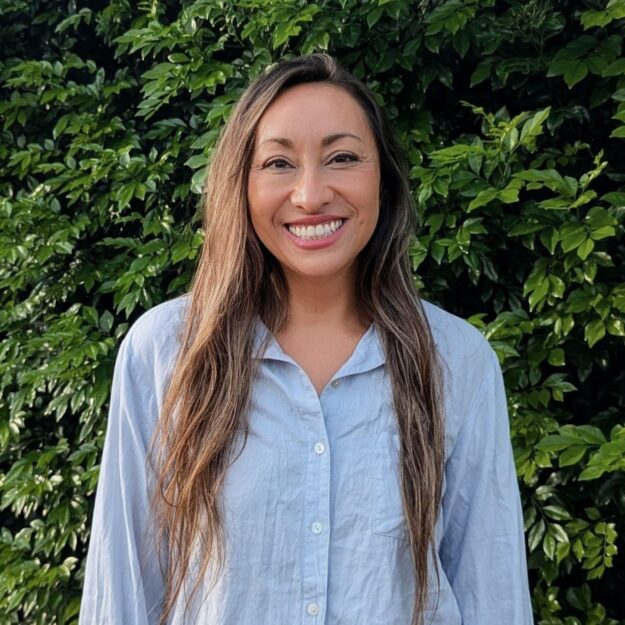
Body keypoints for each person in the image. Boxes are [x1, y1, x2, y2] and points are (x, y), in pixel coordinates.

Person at [79, 53, 534, 625]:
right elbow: (121, 589)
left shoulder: (457, 361)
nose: (311, 194)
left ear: (384, 179)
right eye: (278, 163)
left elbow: (493, 590)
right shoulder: (166, 352)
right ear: (241, 185)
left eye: (342, 157)